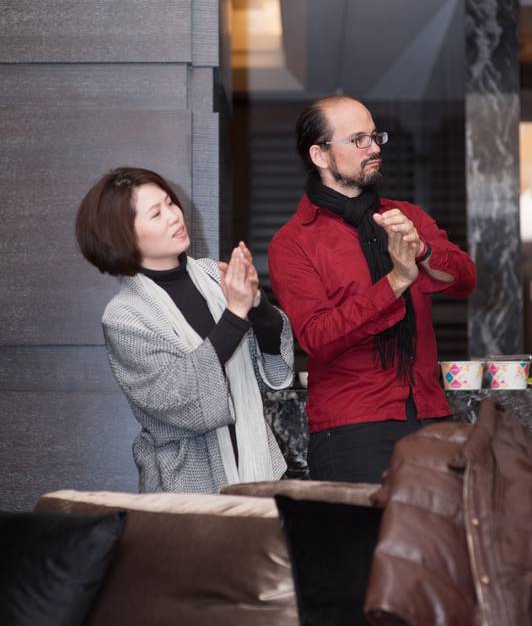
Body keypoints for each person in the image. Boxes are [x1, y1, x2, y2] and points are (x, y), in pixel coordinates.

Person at [268, 96, 476, 484]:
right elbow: (318, 337)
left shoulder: (406, 216)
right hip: (353, 427)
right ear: (319, 154)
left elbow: (465, 279)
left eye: (375, 136)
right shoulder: (293, 242)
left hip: (430, 414)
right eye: (358, 140)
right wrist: (396, 281)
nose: (374, 148)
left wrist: (422, 249)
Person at [76, 167, 293, 493]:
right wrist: (235, 312)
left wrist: (256, 300)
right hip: (185, 484)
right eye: (156, 213)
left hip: (262, 467)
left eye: (170, 203)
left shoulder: (211, 274)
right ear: (123, 236)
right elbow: (178, 397)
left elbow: (267, 364)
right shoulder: (125, 317)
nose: (174, 216)